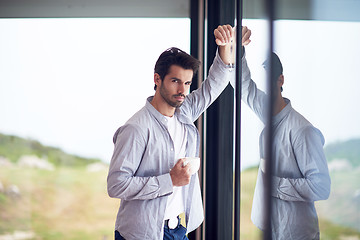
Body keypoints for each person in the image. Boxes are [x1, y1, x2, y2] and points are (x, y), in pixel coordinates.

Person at [107, 25, 251, 240]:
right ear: (157, 79)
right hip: (141, 234)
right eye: (175, 81)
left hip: (177, 230)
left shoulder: (184, 112)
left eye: (187, 83)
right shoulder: (136, 128)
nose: (183, 90)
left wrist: (226, 48)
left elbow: (214, 85)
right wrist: (170, 180)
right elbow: (116, 185)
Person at [235, 31, 331, 239]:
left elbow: (321, 187)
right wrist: (238, 51)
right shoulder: (268, 113)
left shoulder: (302, 130)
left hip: (295, 235)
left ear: (280, 80)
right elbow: (244, 88)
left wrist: (275, 185)